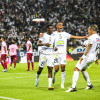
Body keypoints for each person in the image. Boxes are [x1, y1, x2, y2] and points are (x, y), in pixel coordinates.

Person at [52, 22, 88, 88]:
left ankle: (62, 84)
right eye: (59, 25)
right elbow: (50, 43)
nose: (61, 26)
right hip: (56, 54)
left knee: (63, 67)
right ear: (56, 26)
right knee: (56, 69)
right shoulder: (53, 34)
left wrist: (84, 37)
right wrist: (53, 48)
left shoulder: (65, 34)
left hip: (63, 53)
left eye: (62, 25)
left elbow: (74, 36)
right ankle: (54, 75)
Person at [65, 24, 100, 92]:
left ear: (91, 30)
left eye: (88, 30)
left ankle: (73, 87)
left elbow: (89, 47)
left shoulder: (91, 37)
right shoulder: (98, 37)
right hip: (92, 57)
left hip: (88, 57)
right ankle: (89, 84)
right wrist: (96, 58)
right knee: (83, 69)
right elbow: (96, 48)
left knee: (76, 68)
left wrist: (82, 57)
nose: (88, 31)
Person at [35, 24, 57, 90]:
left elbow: (53, 45)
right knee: (40, 69)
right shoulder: (43, 35)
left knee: (50, 68)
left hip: (50, 54)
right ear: (47, 29)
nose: (52, 30)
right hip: (43, 54)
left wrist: (55, 48)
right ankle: (37, 78)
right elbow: (38, 44)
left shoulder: (53, 36)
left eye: (52, 28)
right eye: (50, 28)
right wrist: (45, 44)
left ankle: (49, 85)